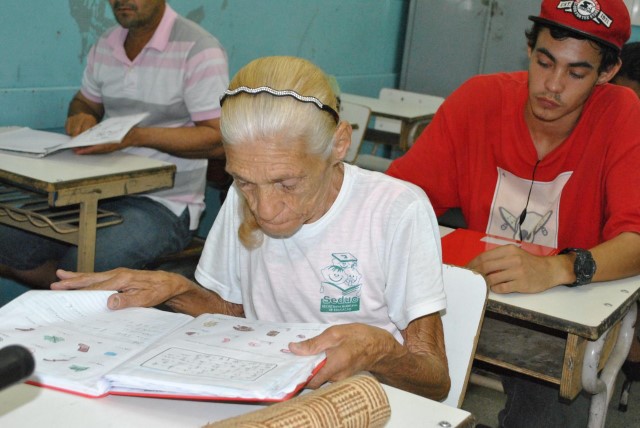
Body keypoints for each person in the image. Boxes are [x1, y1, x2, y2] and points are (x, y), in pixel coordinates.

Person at [50, 56, 451, 400]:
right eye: (243, 181)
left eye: (287, 183)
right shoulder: (244, 199)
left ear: (339, 144)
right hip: (269, 392)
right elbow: (234, 315)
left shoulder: (395, 209)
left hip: (366, 402)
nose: (265, 209)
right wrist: (175, 290)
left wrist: (380, 351)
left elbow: (435, 380)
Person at [387, 0, 640, 426]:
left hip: (560, 321)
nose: (553, 85)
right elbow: (399, 200)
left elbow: (636, 240)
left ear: (607, 73)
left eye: (576, 73)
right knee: (388, 394)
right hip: (459, 297)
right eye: (544, 62)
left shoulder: (622, 115)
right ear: (528, 49)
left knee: (549, 418)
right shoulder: (479, 100)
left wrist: (557, 269)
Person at [0, 0, 229, 289]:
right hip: (97, 191)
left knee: (85, 262)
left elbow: (217, 138)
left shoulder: (198, 48)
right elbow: (85, 100)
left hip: (166, 203)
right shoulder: (107, 42)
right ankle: (72, 297)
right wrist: (81, 115)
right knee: (7, 240)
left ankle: (78, 298)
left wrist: (135, 136)